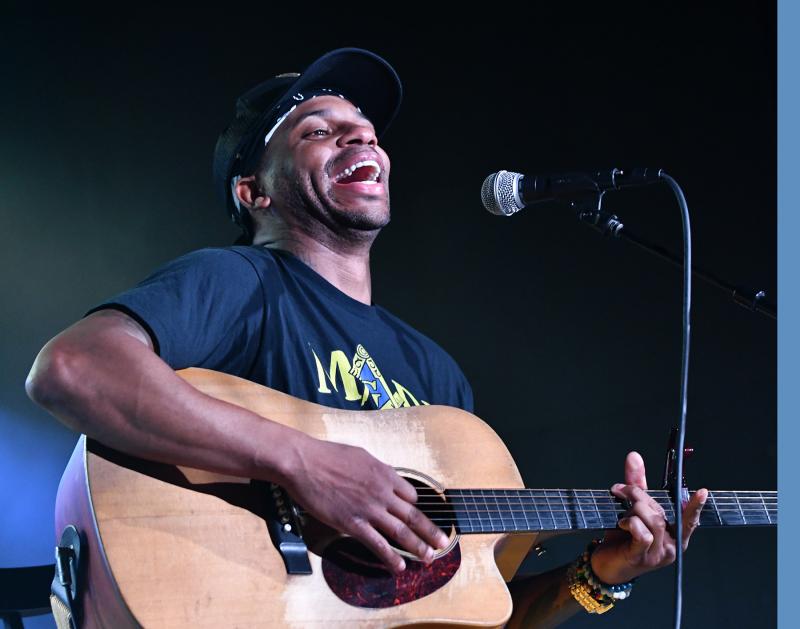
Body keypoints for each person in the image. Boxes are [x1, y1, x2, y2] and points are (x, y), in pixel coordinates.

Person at [26, 48, 706, 627]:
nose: (361, 138)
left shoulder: (436, 378)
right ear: (252, 191)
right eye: (319, 130)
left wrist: (598, 574)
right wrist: (304, 463)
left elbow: (461, 610)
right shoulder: (240, 282)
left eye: (366, 129)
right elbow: (75, 368)